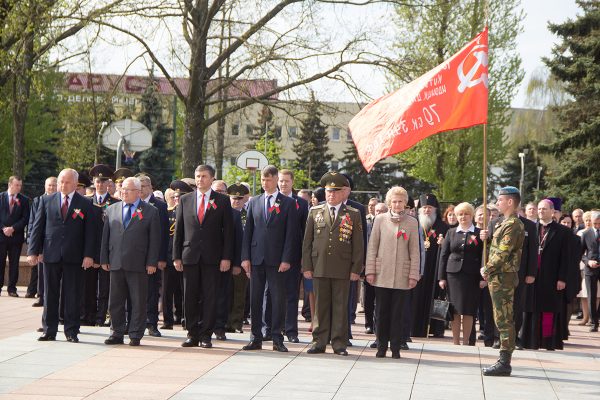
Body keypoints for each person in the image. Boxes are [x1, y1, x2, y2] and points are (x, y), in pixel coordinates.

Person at [28, 169, 96, 343]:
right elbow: (37, 227)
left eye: (66, 182)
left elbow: (90, 233)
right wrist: (33, 251)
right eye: (60, 182)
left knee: (72, 294)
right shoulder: (46, 200)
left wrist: (89, 255)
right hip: (50, 254)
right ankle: (49, 330)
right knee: (49, 294)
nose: (62, 185)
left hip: (74, 256)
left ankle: (71, 330)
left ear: (75, 183)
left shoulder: (86, 203)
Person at [302, 172, 363, 356]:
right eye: (329, 191)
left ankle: (339, 343)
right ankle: (319, 341)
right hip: (319, 265)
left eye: (335, 191)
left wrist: (355, 269)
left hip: (342, 268)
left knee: (340, 306)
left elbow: (358, 245)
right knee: (320, 307)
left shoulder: (353, 214)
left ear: (343, 193)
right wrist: (307, 266)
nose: (331, 195)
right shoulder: (315, 212)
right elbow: (307, 242)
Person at [173, 165, 234, 348]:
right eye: (197, 176)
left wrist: (226, 257)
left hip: (212, 257)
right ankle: (192, 333)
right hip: (189, 256)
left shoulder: (222, 201)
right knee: (189, 296)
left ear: (212, 178)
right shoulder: (185, 199)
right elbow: (179, 230)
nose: (200, 179)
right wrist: (176, 256)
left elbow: (228, 233)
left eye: (204, 176)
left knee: (210, 296)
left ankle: (206, 334)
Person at [241, 165, 296, 353]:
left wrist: (286, 258)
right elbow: (248, 231)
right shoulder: (254, 201)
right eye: (263, 180)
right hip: (256, 258)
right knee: (255, 299)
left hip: (277, 259)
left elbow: (291, 234)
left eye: (269, 180)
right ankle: (255, 337)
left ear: (275, 180)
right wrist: (245, 257)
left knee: (278, 299)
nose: (265, 183)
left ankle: (277, 338)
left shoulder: (287, 203)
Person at [101, 177, 161, 346]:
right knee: (115, 301)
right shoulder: (112, 209)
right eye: (122, 190)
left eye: (128, 190)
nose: (124, 192)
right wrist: (104, 258)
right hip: (116, 261)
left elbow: (155, 240)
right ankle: (116, 332)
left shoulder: (150, 211)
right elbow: (106, 236)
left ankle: (135, 333)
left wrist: (152, 262)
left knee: (138, 300)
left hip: (139, 263)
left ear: (138, 192)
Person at [365, 186, 419, 358]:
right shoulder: (380, 220)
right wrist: (370, 271)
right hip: (382, 273)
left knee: (398, 313)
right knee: (381, 312)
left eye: (400, 201)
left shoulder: (412, 222)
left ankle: (395, 347)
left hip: (402, 275)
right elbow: (372, 246)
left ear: (405, 203)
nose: (397, 204)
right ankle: (381, 346)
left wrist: (413, 275)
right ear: (389, 203)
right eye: (394, 201)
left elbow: (415, 251)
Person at [481, 186, 525, 377]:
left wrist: (487, 268)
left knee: (504, 318)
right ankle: (503, 358)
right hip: (498, 277)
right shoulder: (503, 222)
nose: (497, 203)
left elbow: (503, 252)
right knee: (500, 317)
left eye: (500, 200)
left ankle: (505, 361)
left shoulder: (513, 224)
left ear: (509, 202)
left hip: (502, 277)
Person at [521, 199, 569, 351]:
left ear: (553, 211)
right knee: (530, 307)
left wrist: (562, 278)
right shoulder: (530, 227)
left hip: (551, 276)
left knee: (548, 309)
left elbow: (565, 257)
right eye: (539, 209)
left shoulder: (562, 231)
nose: (541, 211)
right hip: (532, 274)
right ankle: (530, 341)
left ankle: (548, 342)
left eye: (544, 209)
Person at [438, 202, 483, 346]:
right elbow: (444, 255)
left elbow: (484, 256)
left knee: (469, 310)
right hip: (453, 276)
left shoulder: (479, 233)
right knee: (455, 309)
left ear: (472, 215)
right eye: (460, 214)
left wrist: (483, 277)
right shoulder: (451, 232)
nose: (463, 217)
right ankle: (456, 341)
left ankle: (466, 342)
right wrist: (441, 277)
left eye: (466, 214)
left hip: (472, 275)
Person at [277, 169, 309, 343]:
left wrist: (304, 258)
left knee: (291, 294)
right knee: (272, 293)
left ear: (292, 183)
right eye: (280, 181)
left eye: (286, 181)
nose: (283, 184)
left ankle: (291, 331)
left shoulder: (301, 204)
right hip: (273, 255)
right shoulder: (271, 200)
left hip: (293, 257)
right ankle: (273, 328)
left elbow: (305, 232)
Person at [411, 193, 449, 338]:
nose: (427, 210)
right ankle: (413, 328)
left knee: (435, 297)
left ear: (435, 210)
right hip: (417, 267)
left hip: (434, 268)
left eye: (430, 208)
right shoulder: (413, 224)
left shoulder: (443, 227)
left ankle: (435, 329)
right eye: (424, 207)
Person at [86, 164, 119, 327]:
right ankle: (89, 315)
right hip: (90, 252)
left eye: (103, 181)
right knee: (89, 286)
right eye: (97, 181)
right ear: (94, 182)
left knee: (105, 288)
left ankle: (102, 317)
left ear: (109, 184)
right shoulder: (86, 202)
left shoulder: (115, 203)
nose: (100, 184)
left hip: (107, 252)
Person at [138, 173, 169, 337]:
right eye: (138, 186)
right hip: (135, 256)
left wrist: (161, 258)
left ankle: (151, 323)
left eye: (143, 186)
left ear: (150, 187)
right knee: (135, 291)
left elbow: (164, 234)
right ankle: (135, 322)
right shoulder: (133, 203)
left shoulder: (160, 206)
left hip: (153, 257)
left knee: (151, 291)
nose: (141, 189)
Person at [161, 181, 192, 330]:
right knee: (167, 291)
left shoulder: (191, 213)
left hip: (186, 257)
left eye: (180, 197)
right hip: (168, 258)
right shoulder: (168, 213)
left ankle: (184, 318)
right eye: (175, 196)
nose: (177, 199)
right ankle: (168, 320)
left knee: (185, 290)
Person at [26, 177, 57, 303]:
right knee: (40, 269)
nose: (51, 188)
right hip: (41, 240)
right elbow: (33, 221)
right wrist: (31, 240)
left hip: (53, 241)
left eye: (54, 185)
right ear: (45, 186)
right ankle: (41, 296)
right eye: (49, 185)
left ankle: (49, 297)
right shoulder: (38, 200)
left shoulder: (59, 201)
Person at [226, 183, 250, 334]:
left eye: (240, 199)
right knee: (224, 293)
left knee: (239, 294)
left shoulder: (248, 215)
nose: (237, 202)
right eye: (234, 198)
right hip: (225, 259)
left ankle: (236, 322)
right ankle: (224, 321)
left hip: (242, 260)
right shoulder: (224, 213)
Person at [1, 176, 30, 297]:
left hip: (15, 237)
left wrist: (13, 228)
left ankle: (12, 288)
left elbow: (25, 218)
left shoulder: (24, 200)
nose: (19, 187)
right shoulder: (1, 197)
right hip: (1, 236)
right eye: (17, 185)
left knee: (14, 263)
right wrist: (3, 228)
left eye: (20, 185)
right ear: (10, 185)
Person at [581, 211, 600, 332]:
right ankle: (594, 323)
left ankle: (597, 316)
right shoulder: (586, 234)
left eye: (599, 223)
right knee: (591, 296)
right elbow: (581, 254)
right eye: (595, 223)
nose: (597, 226)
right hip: (591, 269)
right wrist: (588, 262)